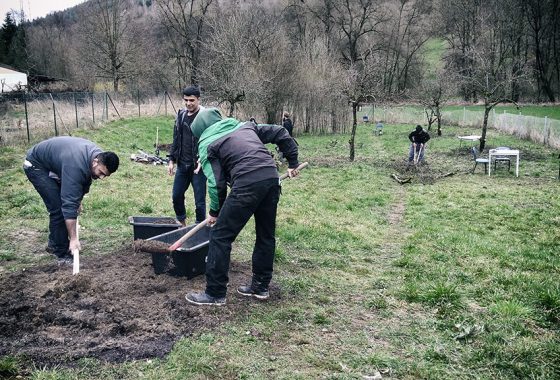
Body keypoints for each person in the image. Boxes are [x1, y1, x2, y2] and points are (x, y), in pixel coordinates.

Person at [185, 108, 300, 306]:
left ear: (200, 132)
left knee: (220, 236)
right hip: (271, 179)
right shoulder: (246, 127)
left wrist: (215, 212)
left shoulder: (207, 144)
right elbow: (280, 132)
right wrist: (292, 161)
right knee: (266, 234)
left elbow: (215, 183)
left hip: (247, 183)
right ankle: (260, 286)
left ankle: (214, 293)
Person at [23, 136, 119, 262]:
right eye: (101, 172)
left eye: (105, 175)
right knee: (58, 208)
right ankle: (60, 252)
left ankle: (54, 243)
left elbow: (85, 181)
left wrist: (78, 201)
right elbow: (68, 206)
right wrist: (74, 239)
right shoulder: (76, 166)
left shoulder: (96, 157)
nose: (101, 177)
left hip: (58, 163)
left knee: (65, 206)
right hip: (36, 165)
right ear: (95, 162)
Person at [168, 86, 207, 225]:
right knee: (176, 196)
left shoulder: (204, 117)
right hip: (182, 165)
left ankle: (200, 228)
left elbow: (210, 142)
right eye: (186, 100)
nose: (189, 103)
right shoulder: (181, 115)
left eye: (192, 100)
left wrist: (203, 160)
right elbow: (176, 138)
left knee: (200, 202)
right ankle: (182, 223)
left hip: (198, 167)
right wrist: (171, 159)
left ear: (198, 99)